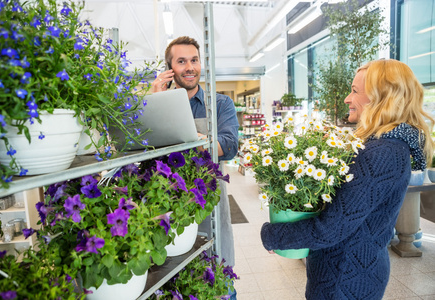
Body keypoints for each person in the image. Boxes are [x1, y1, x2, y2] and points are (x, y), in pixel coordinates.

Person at [260, 59, 435, 300]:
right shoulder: (389, 145)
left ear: (379, 97)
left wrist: (273, 235)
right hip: (354, 271)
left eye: (354, 91)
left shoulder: (380, 153)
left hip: (344, 279)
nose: (347, 99)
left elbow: (331, 229)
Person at [152, 36, 239, 298]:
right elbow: (145, 154)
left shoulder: (220, 104)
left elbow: (230, 144)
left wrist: (191, 140)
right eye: (181, 61)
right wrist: (156, 103)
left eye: (194, 60)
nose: (189, 67)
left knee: (219, 275)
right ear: (169, 69)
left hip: (211, 205)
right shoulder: (157, 105)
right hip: (169, 205)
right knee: (175, 276)